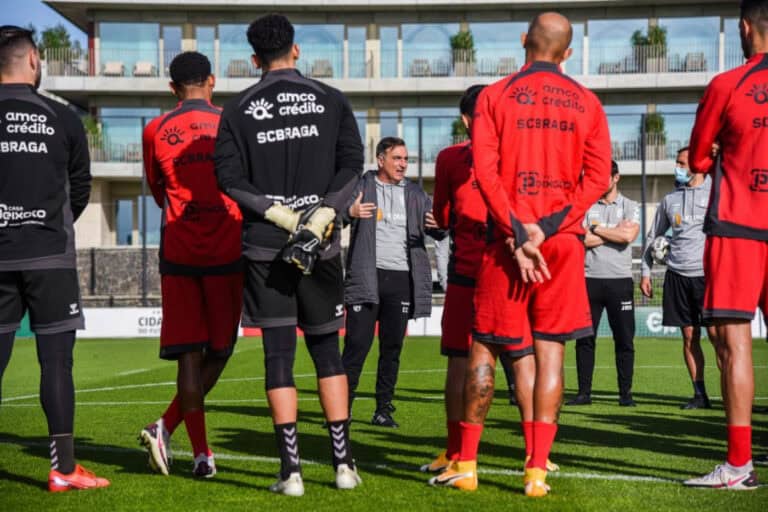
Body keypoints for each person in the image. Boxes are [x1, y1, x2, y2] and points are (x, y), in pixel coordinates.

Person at [432, 12, 611, 497]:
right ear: (567, 53)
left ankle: (466, 464)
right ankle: (535, 471)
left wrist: (517, 231)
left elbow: (485, 173)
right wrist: (549, 227)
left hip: (505, 241)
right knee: (550, 352)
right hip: (563, 244)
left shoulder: (494, 96)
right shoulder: (588, 103)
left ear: (523, 41)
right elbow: (598, 179)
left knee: (485, 347)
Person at [215, 14, 363, 495]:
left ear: (254, 59)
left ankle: (291, 472)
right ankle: (343, 466)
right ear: (295, 50)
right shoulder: (331, 99)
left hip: (265, 248)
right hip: (320, 246)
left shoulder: (236, 110)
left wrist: (278, 215)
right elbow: (351, 168)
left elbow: (230, 181)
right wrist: (322, 216)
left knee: (278, 355)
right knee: (327, 353)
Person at [423, 85, 557, 475]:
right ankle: (537, 456)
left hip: (471, 271)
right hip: (517, 271)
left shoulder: (450, 159)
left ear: (465, 120)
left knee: (461, 361)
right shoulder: (522, 156)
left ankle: (456, 453)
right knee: (524, 360)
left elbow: (443, 217)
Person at [0, 26, 109, 492]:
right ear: (33, 60)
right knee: (56, 363)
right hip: (49, 256)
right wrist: (49, 220)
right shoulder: (63, 118)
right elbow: (80, 188)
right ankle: (63, 469)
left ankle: (65, 469)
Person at [138, 52, 243, 478]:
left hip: (179, 251)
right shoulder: (234, 123)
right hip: (228, 250)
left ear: (172, 88)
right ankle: (189, 445)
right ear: (212, 81)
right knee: (219, 352)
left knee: (189, 356)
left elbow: (158, 191)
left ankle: (178, 437)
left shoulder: (154, 128)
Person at [683, 0, 768, 490]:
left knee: (736, 347)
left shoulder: (726, 84)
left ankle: (739, 466)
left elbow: (696, 159)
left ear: (743, 27)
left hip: (739, 226)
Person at [341, 137, 444, 428]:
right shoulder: (362, 186)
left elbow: (438, 228)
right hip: (366, 276)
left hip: (401, 280)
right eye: (397, 158)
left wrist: (440, 225)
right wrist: (349, 213)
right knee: (356, 346)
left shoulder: (414, 193)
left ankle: (383, 409)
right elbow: (336, 216)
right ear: (380, 160)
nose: (402, 164)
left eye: (405, 159)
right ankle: (341, 410)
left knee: (392, 348)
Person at [640, 147, 717, 410]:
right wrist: (646, 272)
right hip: (677, 276)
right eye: (677, 162)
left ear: (697, 165)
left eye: (682, 163)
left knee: (719, 339)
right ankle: (700, 395)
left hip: (708, 277)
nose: (677, 167)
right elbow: (653, 238)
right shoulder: (670, 199)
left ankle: (732, 394)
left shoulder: (715, 193)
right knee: (688, 337)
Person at [568, 161, 639, 407]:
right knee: (585, 339)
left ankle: (625, 394)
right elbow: (581, 240)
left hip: (620, 281)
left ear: (616, 177)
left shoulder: (631, 206)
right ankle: (583, 393)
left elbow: (628, 236)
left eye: (603, 177)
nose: (597, 182)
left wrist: (596, 229)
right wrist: (612, 233)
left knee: (624, 339)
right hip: (589, 280)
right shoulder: (585, 205)